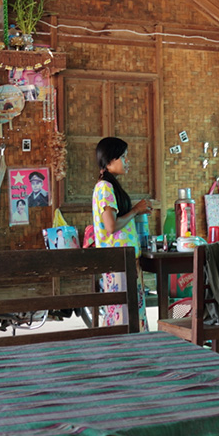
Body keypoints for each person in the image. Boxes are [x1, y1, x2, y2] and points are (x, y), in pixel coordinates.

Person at [92, 137, 151, 329]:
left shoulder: (109, 185)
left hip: (124, 262)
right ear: (110, 160)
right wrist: (135, 211)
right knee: (122, 315)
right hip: (118, 263)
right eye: (123, 157)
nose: (128, 161)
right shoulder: (105, 187)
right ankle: (123, 353)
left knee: (127, 313)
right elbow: (111, 227)